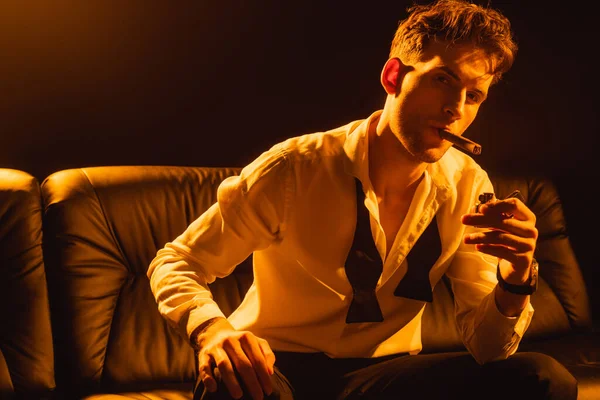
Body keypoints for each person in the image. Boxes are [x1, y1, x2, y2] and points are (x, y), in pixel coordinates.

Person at [147, 0, 578, 399]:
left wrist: (517, 274)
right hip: (277, 366)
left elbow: (489, 349)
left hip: (385, 376)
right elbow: (175, 262)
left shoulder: (467, 183)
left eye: (474, 95)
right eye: (443, 79)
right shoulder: (295, 167)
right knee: (231, 382)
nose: (455, 108)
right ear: (393, 77)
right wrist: (213, 330)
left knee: (543, 379)